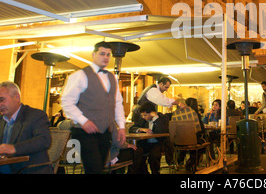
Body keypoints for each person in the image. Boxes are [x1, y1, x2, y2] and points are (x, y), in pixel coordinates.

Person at [61, 41, 126, 174]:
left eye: (108, 55)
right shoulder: (80, 75)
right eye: (102, 54)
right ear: (93, 54)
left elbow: (118, 103)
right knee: (94, 169)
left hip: (105, 131)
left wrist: (122, 127)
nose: (106, 57)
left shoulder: (112, 77)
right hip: (84, 132)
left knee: (99, 168)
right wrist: (83, 121)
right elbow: (67, 101)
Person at [0, 81, 52, 174]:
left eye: (2, 100)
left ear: (17, 97)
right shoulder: (1, 120)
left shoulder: (35, 115)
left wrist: (14, 148)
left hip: (28, 169)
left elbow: (44, 140)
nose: (0, 104)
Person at [129, 102, 170, 174]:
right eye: (142, 115)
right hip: (146, 143)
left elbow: (161, 131)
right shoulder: (143, 120)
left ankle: (155, 172)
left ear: (152, 113)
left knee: (154, 155)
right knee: (137, 152)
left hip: (158, 143)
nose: (143, 117)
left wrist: (155, 118)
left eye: (145, 115)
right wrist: (141, 129)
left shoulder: (163, 118)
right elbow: (131, 129)